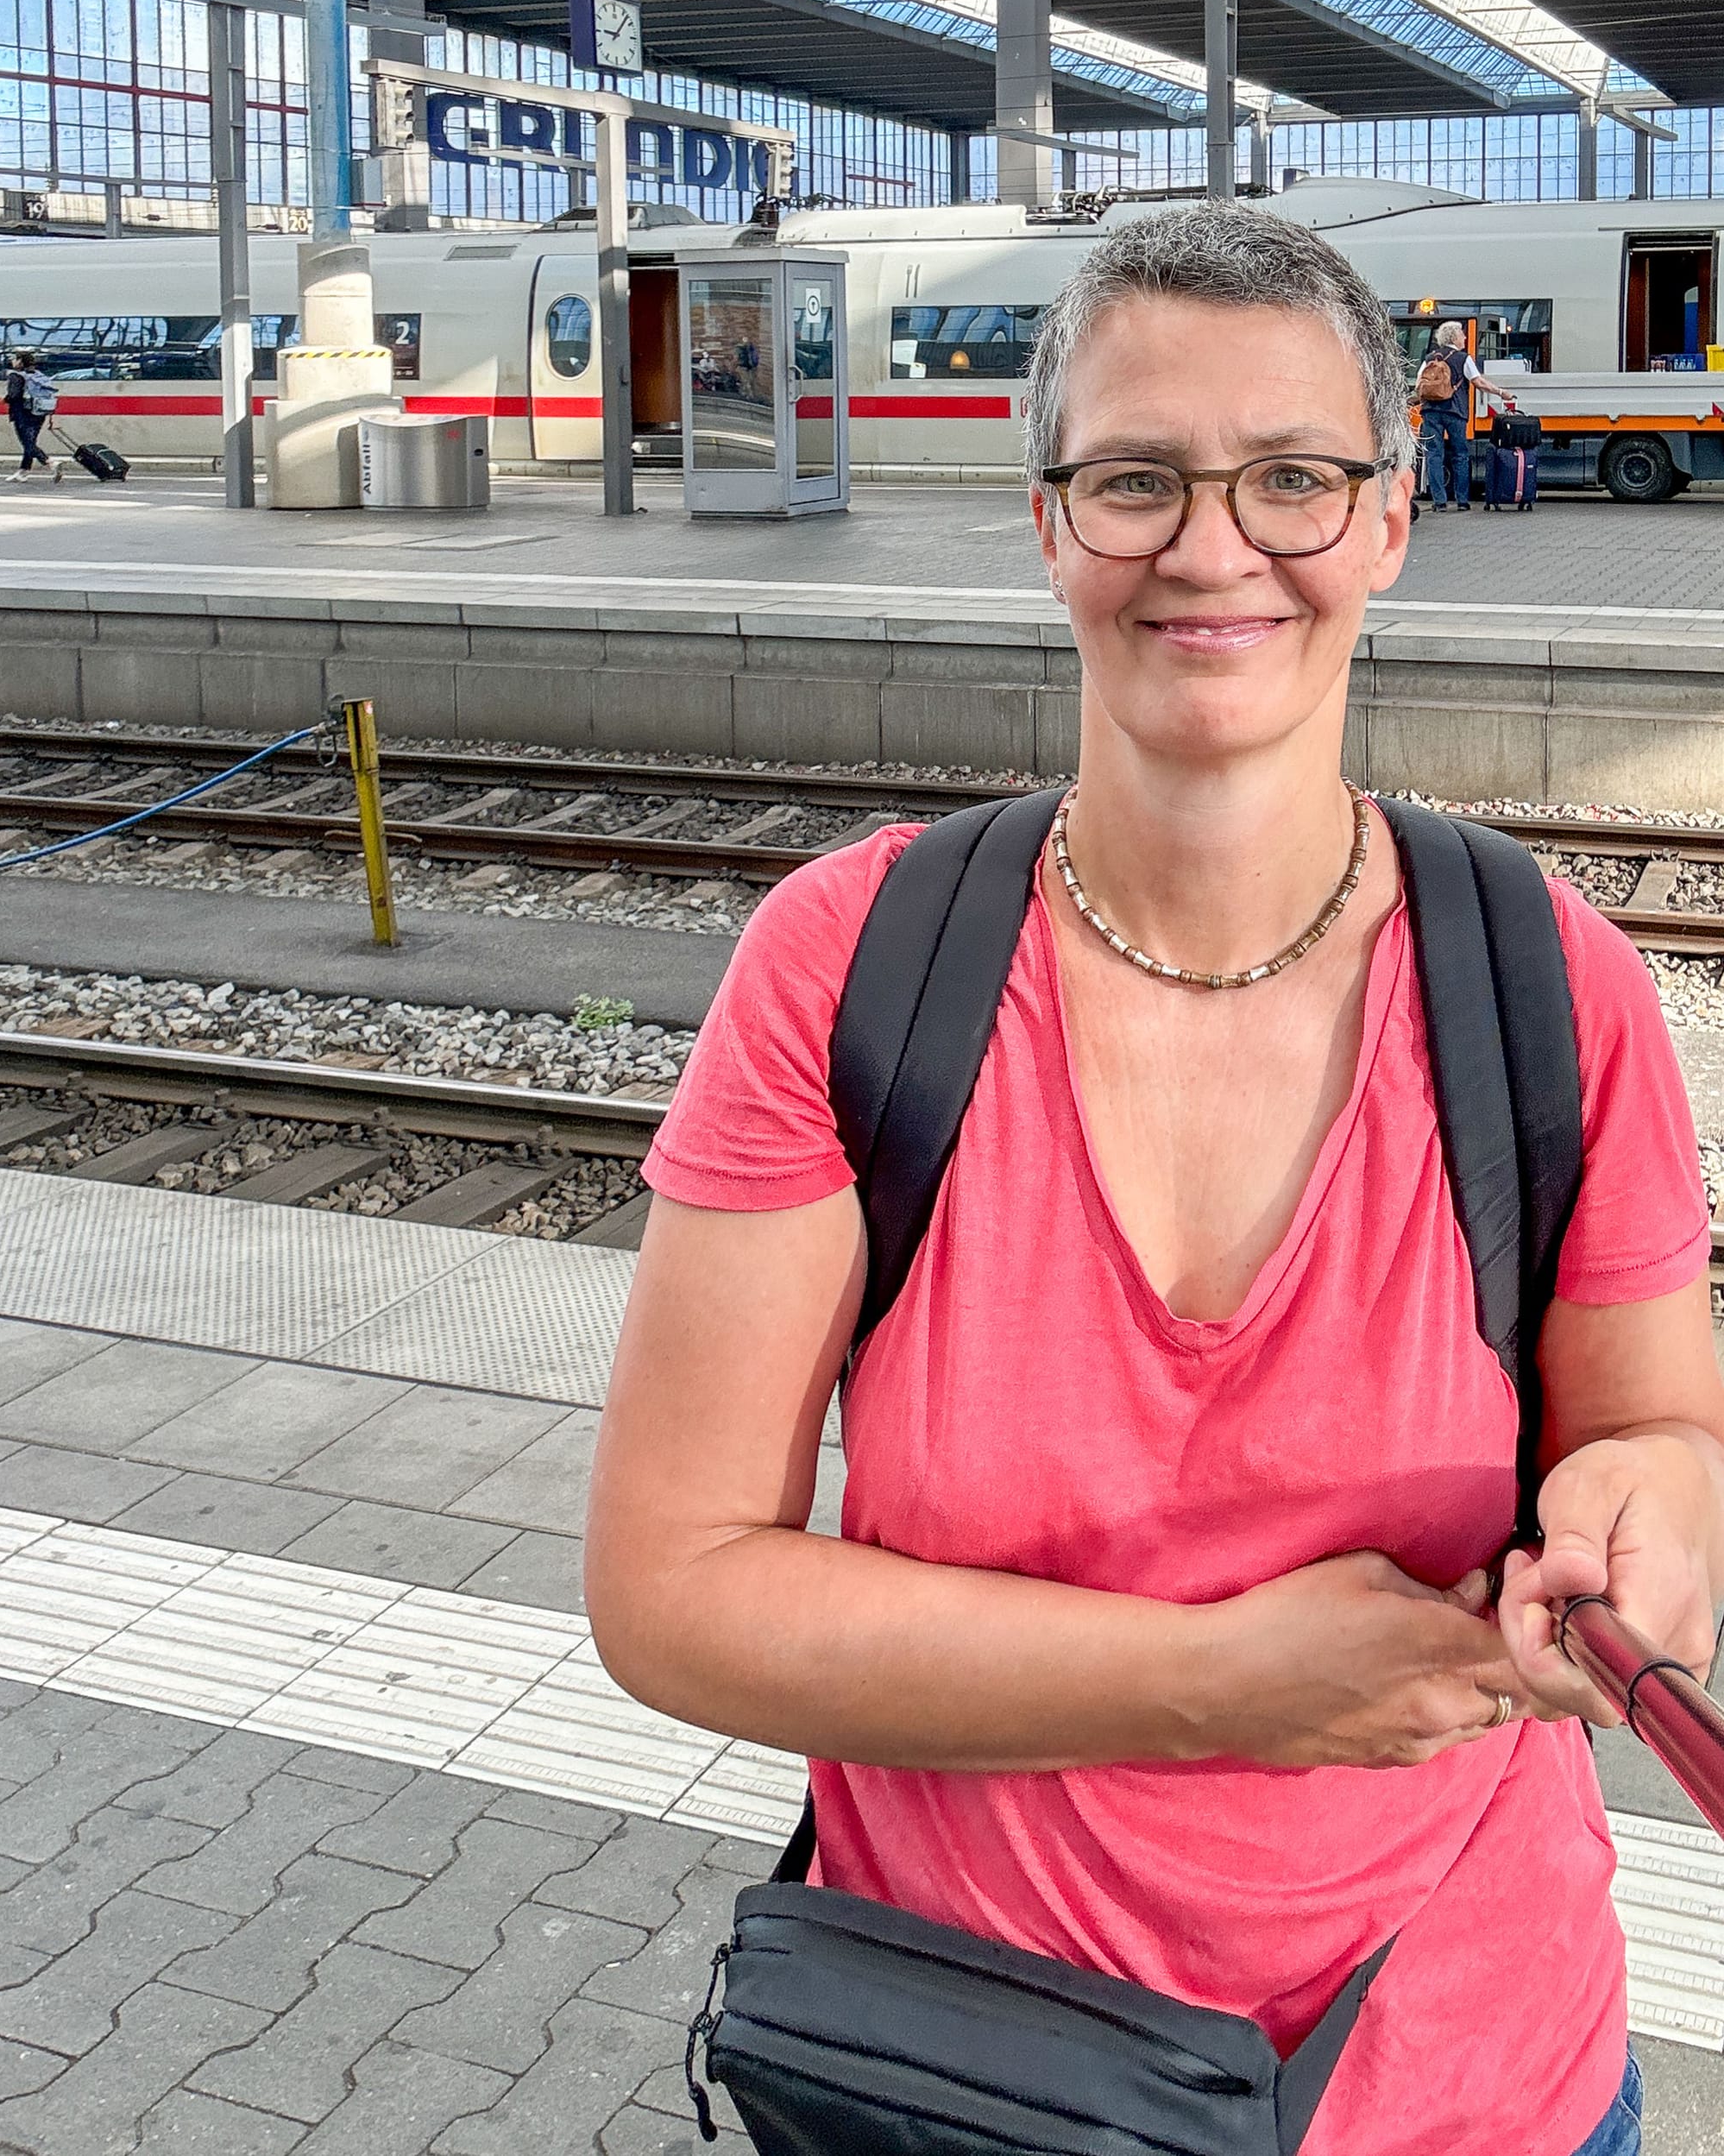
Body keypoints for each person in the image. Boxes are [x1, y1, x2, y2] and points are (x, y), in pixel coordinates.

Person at [586, 203, 1724, 2156]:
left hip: (1479, 2082)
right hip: (969, 2067)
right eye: (1134, 480)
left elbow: (1658, 1425)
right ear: (1048, 526)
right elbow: (671, 1592)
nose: (1211, 550)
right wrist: (1215, 1683)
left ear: (1384, 516)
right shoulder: (852, 963)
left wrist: (1643, 1510)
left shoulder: (1552, 980)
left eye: (1289, 477)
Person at [1416, 319, 1512, 510]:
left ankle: (1439, 502)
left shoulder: (1429, 358)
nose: (1465, 337)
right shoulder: (1463, 358)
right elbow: (1479, 383)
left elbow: (1419, 383)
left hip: (1431, 412)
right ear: (1454, 337)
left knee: (1435, 455)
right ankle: (1462, 501)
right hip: (1455, 411)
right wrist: (1501, 392)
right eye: (1462, 334)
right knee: (1460, 455)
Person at [4, 350, 61, 484]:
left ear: (20, 361)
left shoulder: (16, 376)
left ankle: (50, 462)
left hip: (22, 413)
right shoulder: (39, 375)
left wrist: (5, 399)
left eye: (14, 359)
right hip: (39, 412)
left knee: (27, 443)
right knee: (30, 442)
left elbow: (14, 395)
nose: (12, 361)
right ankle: (23, 472)